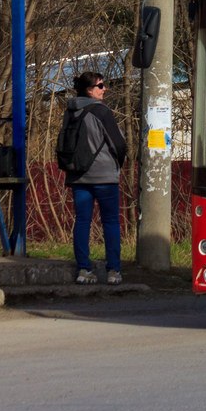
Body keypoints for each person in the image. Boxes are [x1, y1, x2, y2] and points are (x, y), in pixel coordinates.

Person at [65, 71, 128, 284]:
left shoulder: (70, 111)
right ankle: (114, 271)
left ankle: (83, 270)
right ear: (89, 90)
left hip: (78, 176)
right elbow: (119, 144)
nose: (104, 89)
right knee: (110, 222)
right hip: (104, 176)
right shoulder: (101, 111)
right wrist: (116, 165)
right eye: (101, 85)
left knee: (82, 221)